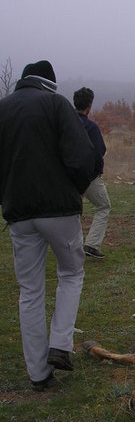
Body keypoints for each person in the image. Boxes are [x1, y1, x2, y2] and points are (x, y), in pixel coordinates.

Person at [0, 60, 95, 390]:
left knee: (29, 290)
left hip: (19, 214)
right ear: (49, 84)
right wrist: (75, 189)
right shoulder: (56, 104)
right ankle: (60, 344)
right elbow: (83, 157)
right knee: (71, 272)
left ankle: (38, 373)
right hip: (59, 211)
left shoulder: (4, 109)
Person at [73, 87, 111, 259]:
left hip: (68, 177)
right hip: (88, 178)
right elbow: (99, 151)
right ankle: (91, 245)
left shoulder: (65, 123)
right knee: (103, 206)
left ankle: (70, 246)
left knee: (71, 211)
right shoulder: (91, 127)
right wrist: (96, 171)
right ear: (89, 106)